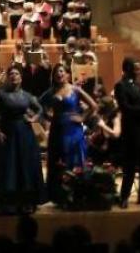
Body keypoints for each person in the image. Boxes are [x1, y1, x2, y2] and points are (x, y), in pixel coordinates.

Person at [0, 65, 44, 214]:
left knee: (25, 166)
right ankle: (8, 203)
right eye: (10, 74)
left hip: (25, 134)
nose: (13, 76)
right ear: (7, 77)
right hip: (7, 134)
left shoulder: (26, 95)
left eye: (16, 74)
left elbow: (40, 109)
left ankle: (26, 201)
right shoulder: (0, 94)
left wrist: (34, 118)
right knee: (9, 168)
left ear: (21, 77)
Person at [41, 64, 97, 203]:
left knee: (74, 157)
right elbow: (38, 106)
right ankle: (59, 195)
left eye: (62, 71)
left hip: (73, 129)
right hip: (57, 129)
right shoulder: (51, 91)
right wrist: (47, 118)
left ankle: (77, 193)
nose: (59, 74)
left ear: (68, 75)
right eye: (56, 72)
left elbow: (93, 106)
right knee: (57, 159)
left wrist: (82, 117)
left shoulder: (75, 89)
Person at [114, 57, 140, 209]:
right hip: (131, 131)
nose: (138, 71)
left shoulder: (139, 86)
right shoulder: (120, 85)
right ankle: (124, 196)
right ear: (128, 69)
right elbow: (125, 107)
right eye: (135, 68)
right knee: (130, 166)